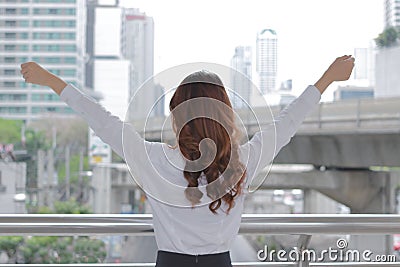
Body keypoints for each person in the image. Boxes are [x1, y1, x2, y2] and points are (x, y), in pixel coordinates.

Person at [20, 55, 354, 267]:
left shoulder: (151, 158)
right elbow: (288, 121)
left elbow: (100, 118)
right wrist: (327, 77)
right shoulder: (243, 161)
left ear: (176, 117)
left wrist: (52, 81)